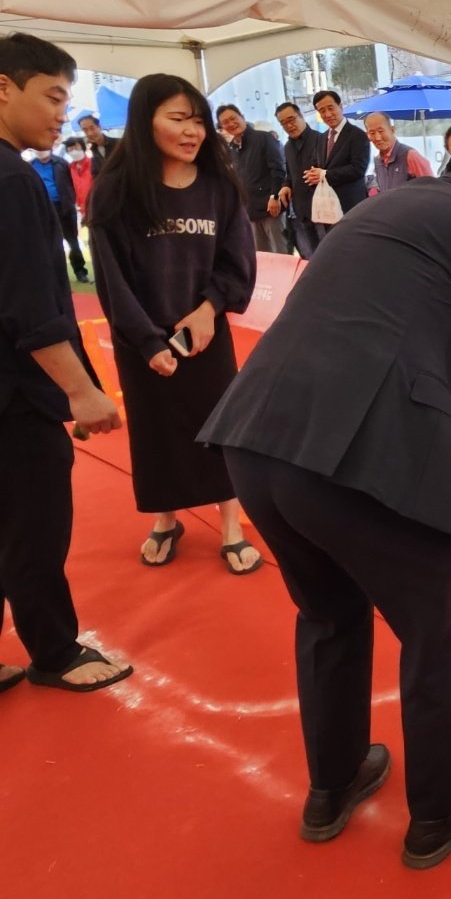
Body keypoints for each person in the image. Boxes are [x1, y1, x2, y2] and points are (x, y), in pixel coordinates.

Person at [197, 114, 451, 869]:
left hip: (258, 440)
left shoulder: (387, 207)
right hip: (354, 457)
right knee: (429, 623)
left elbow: (397, 350)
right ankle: (444, 805)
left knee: (327, 612)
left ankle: (333, 785)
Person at [0, 31, 131, 694]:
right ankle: (53, 651)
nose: (61, 113)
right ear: (5, 88)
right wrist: (82, 394)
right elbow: (31, 307)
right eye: (52, 97)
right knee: (33, 528)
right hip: (15, 399)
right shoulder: (13, 179)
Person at [87, 74, 260, 574]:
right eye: (178, 119)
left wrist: (208, 310)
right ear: (146, 122)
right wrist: (146, 342)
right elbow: (112, 280)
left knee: (219, 428)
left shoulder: (219, 188)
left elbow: (237, 263)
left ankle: (230, 523)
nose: (193, 131)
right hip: (141, 340)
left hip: (206, 335)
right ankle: (166, 519)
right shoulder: (115, 192)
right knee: (155, 431)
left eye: (198, 120)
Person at [217, 103, 288, 254]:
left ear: (242, 116)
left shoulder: (263, 138)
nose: (231, 124)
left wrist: (274, 196)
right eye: (225, 122)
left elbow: (278, 170)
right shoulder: (232, 149)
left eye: (233, 118)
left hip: (272, 207)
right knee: (261, 255)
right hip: (250, 210)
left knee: (281, 252)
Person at [29, 142, 89, 283]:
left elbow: (73, 183)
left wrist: (73, 202)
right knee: (50, 243)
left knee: (72, 241)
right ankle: (56, 274)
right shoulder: (31, 165)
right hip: (43, 207)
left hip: (64, 207)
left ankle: (80, 271)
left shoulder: (61, 163)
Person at [273, 102, 326, 258]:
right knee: (313, 257)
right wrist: (285, 186)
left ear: (301, 116)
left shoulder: (320, 140)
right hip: (302, 211)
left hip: (323, 210)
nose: (289, 125)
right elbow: (290, 174)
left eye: (291, 119)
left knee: (329, 254)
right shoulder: (287, 147)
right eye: (283, 123)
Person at [309, 89, 371, 213]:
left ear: (340, 107)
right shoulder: (320, 138)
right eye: (322, 111)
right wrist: (312, 174)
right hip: (327, 206)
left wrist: (325, 174)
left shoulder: (358, 135)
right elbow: (317, 165)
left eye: (331, 108)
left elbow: (358, 169)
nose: (327, 114)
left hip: (351, 205)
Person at [365, 111, 433, 195]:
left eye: (381, 131)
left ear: (392, 130)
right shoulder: (377, 161)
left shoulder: (410, 155)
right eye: (372, 133)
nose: (377, 137)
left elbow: (432, 188)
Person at [64, 136, 93, 223]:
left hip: (96, 205)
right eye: (70, 149)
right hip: (82, 209)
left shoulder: (93, 163)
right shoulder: (70, 168)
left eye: (76, 147)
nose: (73, 151)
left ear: (83, 147)